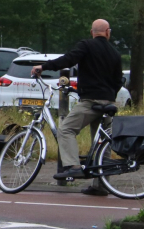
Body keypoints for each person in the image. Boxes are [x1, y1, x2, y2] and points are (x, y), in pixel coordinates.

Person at [31, 19, 123, 196]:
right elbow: (118, 81)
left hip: (90, 102)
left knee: (66, 129)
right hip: (108, 103)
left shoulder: (86, 45)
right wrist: (108, 95)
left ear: (92, 32)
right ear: (108, 33)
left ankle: (73, 166)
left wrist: (43, 66)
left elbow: (68, 60)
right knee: (103, 143)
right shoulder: (115, 53)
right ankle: (101, 186)